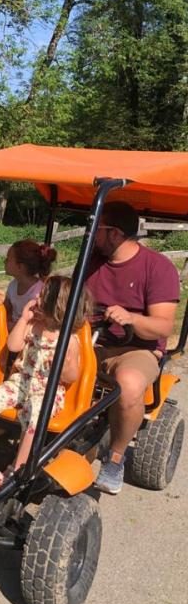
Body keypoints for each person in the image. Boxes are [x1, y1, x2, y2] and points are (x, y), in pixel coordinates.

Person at [0, 275, 92, 488]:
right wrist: (24, 319)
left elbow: (71, 377)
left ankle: (18, 468)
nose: (36, 296)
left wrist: (63, 364)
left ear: (57, 304)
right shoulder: (34, 325)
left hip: (48, 390)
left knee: (36, 414)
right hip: (21, 381)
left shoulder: (69, 340)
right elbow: (14, 346)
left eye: (43, 294)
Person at [86, 201, 180, 495]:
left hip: (136, 349)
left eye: (96, 229)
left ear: (114, 233)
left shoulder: (158, 267)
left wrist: (132, 318)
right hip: (90, 341)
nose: (91, 235)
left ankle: (115, 458)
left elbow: (163, 326)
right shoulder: (91, 261)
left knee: (127, 385)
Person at [4, 240, 57, 328]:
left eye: (8, 259)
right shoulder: (13, 285)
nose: (4, 261)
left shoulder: (39, 293)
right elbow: (5, 309)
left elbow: (36, 325)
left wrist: (9, 326)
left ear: (20, 267)